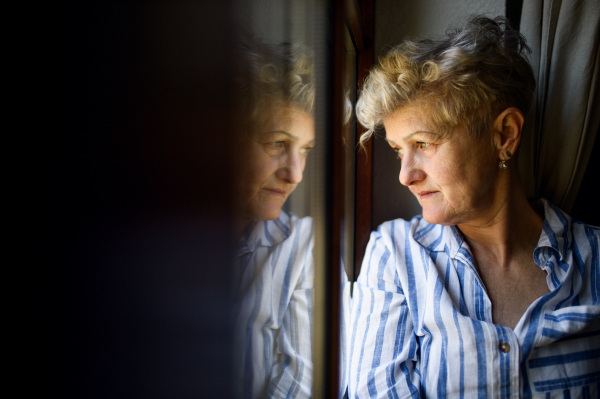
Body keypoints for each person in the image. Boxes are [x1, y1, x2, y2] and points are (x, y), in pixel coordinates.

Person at [348, 17, 599, 398]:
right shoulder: (395, 256)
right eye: (399, 150)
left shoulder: (595, 261)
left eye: (425, 143)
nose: (405, 175)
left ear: (504, 135)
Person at [233, 41, 316, 399]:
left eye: (305, 150)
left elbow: (303, 379)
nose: (295, 174)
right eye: (277, 143)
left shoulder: (302, 245)